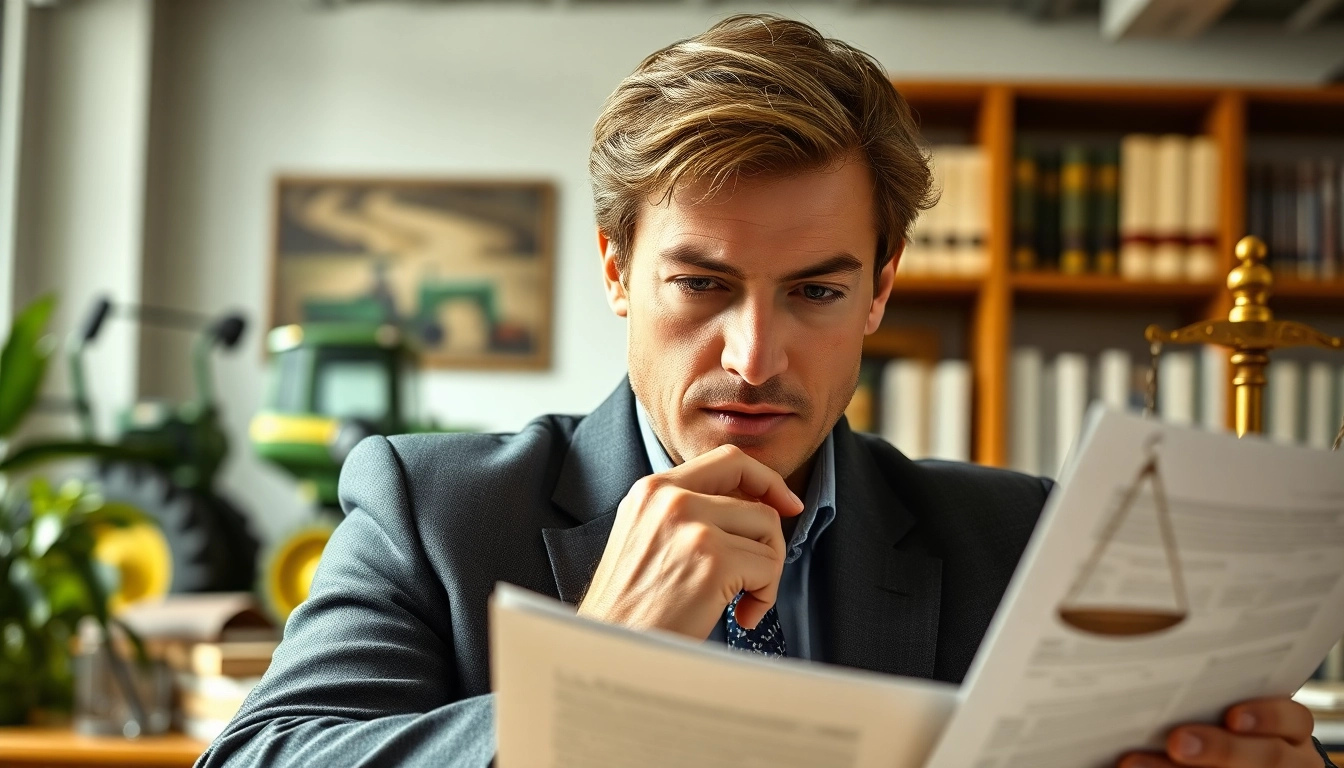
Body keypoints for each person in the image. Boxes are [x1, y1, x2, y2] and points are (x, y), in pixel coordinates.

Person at [198, 14, 1332, 768]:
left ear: (882, 289)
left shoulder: (1022, 534)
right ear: (615, 271)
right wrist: (579, 691)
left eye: (818, 292)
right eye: (701, 284)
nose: (754, 355)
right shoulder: (430, 507)